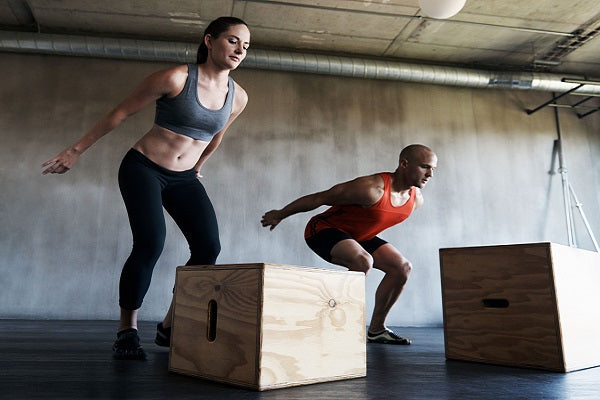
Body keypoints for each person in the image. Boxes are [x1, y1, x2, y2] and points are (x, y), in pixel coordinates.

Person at [41, 17, 251, 360]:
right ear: (209, 40)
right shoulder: (175, 78)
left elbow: (215, 137)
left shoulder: (238, 97)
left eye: (246, 45)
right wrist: (74, 151)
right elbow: (119, 113)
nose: (240, 50)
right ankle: (127, 330)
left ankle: (170, 325)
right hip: (143, 169)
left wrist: (197, 169)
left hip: (183, 178)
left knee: (208, 246)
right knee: (151, 243)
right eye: (232, 41)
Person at [261, 144, 437, 344]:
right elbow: (321, 198)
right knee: (363, 261)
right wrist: (280, 214)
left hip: (360, 236)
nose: (430, 174)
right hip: (322, 230)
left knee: (402, 267)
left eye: (433, 169)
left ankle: (377, 330)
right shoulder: (371, 189)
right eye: (425, 167)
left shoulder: (416, 200)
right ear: (404, 164)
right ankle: (340, 324)